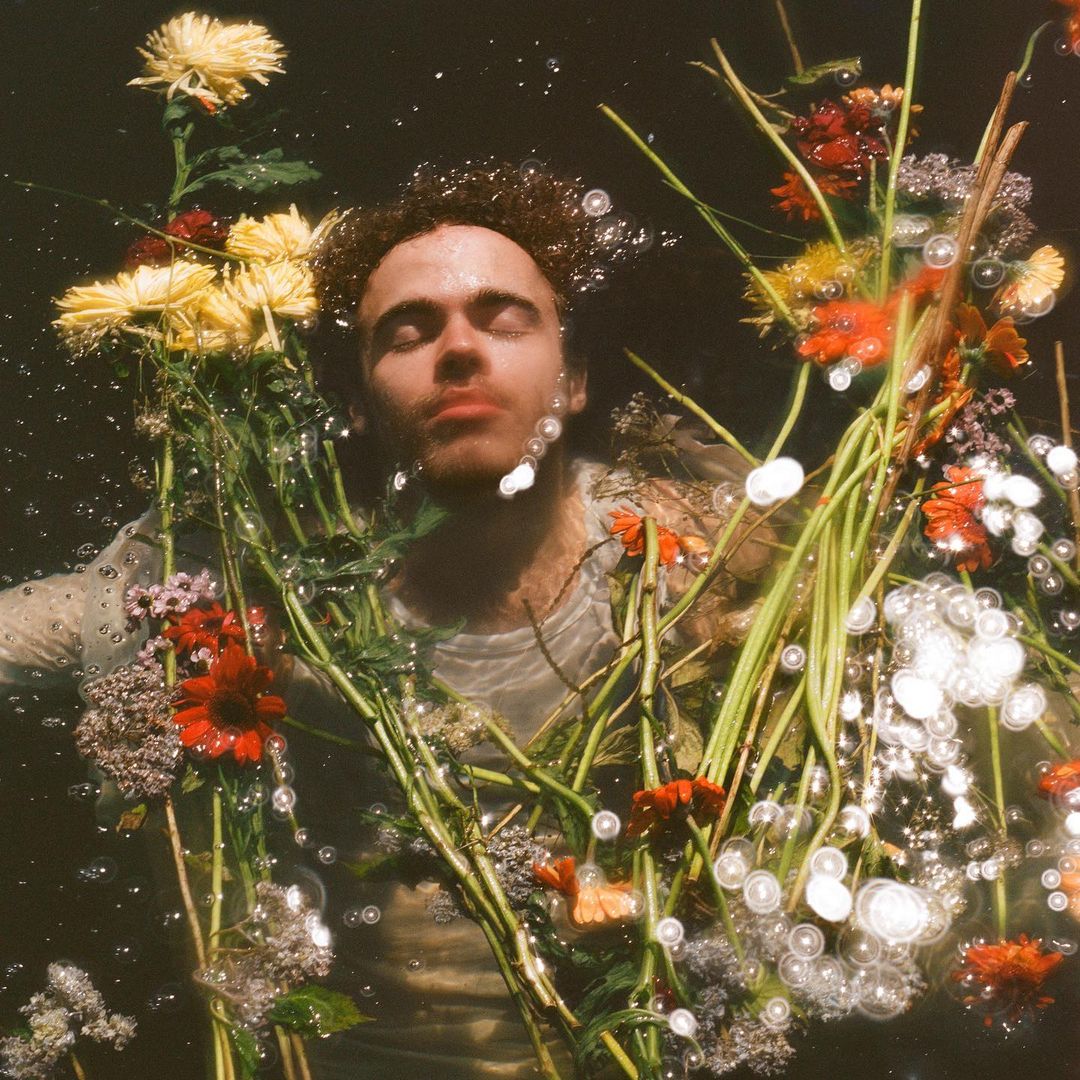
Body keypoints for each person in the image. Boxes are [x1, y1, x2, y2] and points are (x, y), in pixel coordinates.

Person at [0, 164, 767, 1078]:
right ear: (359, 404)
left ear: (572, 381)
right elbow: (44, 624)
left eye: (504, 319)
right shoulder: (281, 592)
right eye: (410, 331)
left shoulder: (693, 559)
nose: (459, 349)